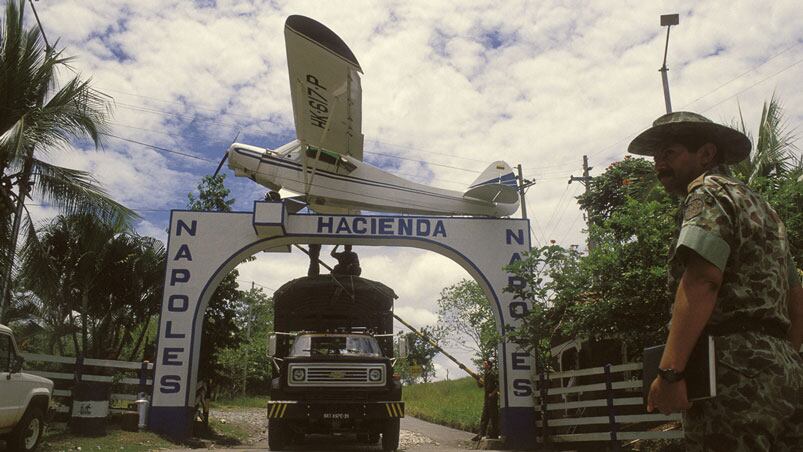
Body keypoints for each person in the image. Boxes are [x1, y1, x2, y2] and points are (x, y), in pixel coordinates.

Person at [629, 111, 803, 450]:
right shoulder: (766, 211)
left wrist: (670, 373)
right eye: (656, 156)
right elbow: (797, 299)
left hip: (729, 374)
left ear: (706, 154)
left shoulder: (707, 193)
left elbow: (702, 281)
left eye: (670, 153)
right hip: (785, 372)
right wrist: (781, 363)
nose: (658, 164)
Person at [472, 359, 499, 441]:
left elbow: (498, 385)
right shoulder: (486, 374)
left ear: (489, 365)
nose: (483, 364)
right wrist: (477, 379)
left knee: (493, 416)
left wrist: (493, 393)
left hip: (492, 398)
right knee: (484, 416)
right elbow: (481, 386)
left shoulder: (492, 374)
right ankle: (480, 434)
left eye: (485, 363)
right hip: (487, 397)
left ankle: (495, 434)